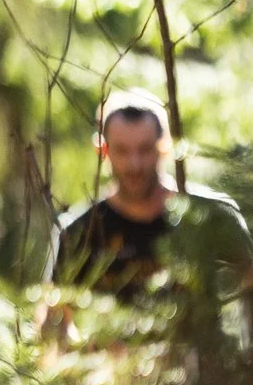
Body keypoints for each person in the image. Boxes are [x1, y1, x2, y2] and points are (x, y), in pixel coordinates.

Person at [49, 93, 253, 304]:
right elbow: (54, 315)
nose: (134, 164)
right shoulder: (79, 232)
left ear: (164, 147)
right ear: (103, 150)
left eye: (145, 149)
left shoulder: (213, 217)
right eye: (122, 150)